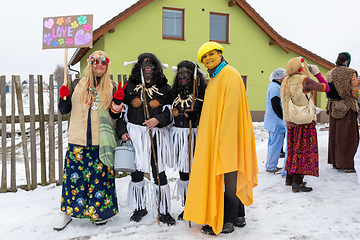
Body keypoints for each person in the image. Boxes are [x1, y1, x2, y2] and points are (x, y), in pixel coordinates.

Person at [183, 42, 258, 235]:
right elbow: (214, 110)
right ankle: (239, 216)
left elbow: (231, 111)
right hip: (219, 136)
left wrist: (223, 140)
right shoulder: (215, 78)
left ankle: (227, 221)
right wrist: (197, 116)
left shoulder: (229, 75)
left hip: (229, 136)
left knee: (230, 177)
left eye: (211, 54)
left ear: (220, 54)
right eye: (204, 57)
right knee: (229, 177)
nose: (208, 59)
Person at [53, 50, 119, 230]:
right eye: (96, 62)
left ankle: (99, 213)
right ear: (90, 64)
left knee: (99, 179)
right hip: (78, 141)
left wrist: (118, 103)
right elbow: (64, 110)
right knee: (73, 181)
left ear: (107, 65)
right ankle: (66, 213)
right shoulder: (76, 84)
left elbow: (115, 114)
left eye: (103, 63)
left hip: (100, 142)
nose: (99, 65)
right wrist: (63, 97)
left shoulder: (111, 86)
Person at [111, 53, 175, 225]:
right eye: (144, 65)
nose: (147, 68)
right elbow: (120, 114)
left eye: (151, 65)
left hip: (156, 136)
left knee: (159, 172)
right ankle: (140, 207)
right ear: (138, 67)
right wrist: (122, 131)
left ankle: (164, 211)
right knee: (137, 173)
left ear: (156, 68)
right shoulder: (129, 86)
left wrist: (158, 120)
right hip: (135, 135)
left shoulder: (164, 87)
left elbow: (170, 113)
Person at [280, 57, 329, 192]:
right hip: (304, 122)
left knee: (293, 150)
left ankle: (289, 178)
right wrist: (317, 73)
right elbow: (326, 88)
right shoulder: (304, 80)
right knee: (303, 151)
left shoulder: (285, 81)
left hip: (291, 122)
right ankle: (298, 183)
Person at [169, 60, 207, 220]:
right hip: (178, 136)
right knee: (183, 172)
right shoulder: (174, 92)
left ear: (194, 75)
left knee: (195, 171)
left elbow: (209, 113)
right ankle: (187, 206)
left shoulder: (203, 92)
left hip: (195, 135)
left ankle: (197, 205)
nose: (183, 76)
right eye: (180, 73)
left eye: (187, 73)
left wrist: (197, 116)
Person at [326, 52, 359, 172]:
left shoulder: (330, 72)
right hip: (347, 108)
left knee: (335, 134)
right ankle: (347, 164)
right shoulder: (351, 72)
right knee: (348, 136)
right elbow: (355, 92)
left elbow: (327, 90)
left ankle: (335, 162)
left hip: (333, 106)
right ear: (347, 61)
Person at [264, 68, 287, 174]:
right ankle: (271, 166)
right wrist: (282, 117)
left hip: (273, 121)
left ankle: (270, 165)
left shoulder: (274, 86)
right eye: (284, 76)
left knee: (273, 144)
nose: (285, 78)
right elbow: (275, 104)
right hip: (276, 122)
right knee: (276, 144)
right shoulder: (275, 87)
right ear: (279, 77)